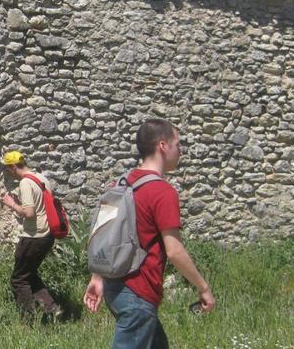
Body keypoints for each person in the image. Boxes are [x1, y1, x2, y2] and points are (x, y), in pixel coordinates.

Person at [83, 118, 216, 349]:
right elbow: (174, 251)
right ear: (163, 146)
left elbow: (106, 232)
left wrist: (98, 277)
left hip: (117, 288)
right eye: (178, 144)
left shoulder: (122, 183)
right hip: (138, 292)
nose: (181, 151)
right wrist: (203, 287)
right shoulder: (162, 192)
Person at [0, 150, 62, 321]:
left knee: (19, 279)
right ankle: (51, 307)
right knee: (29, 273)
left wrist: (12, 204)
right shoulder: (41, 178)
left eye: (8, 169)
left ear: (14, 167)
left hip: (34, 236)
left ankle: (29, 319)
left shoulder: (26, 183)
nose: (8, 173)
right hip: (48, 235)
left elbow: (29, 213)